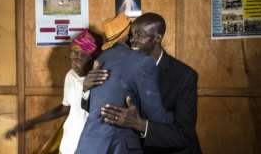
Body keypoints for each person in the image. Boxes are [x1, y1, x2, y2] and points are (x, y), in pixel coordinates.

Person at [85, 12, 202, 154]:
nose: (133, 40)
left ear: (158, 38)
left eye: (139, 35)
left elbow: (184, 136)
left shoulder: (184, 76)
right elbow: (104, 109)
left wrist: (140, 124)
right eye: (132, 35)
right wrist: (86, 89)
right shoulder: (122, 65)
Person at [75, 13, 173, 154]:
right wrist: (174, 117)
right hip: (118, 147)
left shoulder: (101, 59)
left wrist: (85, 90)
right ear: (129, 34)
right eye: (135, 33)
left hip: (88, 146)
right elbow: (156, 117)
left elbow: (94, 107)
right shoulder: (142, 62)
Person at [5, 30, 101, 154]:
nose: (74, 64)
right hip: (68, 146)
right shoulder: (71, 76)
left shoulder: (100, 78)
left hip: (91, 147)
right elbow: (65, 108)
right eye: (73, 58)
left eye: (80, 58)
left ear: (92, 57)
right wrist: (32, 122)